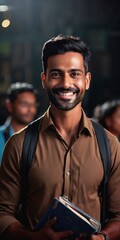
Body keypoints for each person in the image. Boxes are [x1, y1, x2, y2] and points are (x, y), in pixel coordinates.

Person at [0, 35, 120, 240]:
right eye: (56, 74)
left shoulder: (109, 145)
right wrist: (34, 238)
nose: (66, 84)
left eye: (75, 74)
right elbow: (3, 213)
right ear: (44, 79)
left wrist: (102, 238)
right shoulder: (19, 144)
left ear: (87, 80)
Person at [0, 82, 38, 162]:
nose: (31, 110)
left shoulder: (40, 137)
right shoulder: (1, 136)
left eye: (33, 105)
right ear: (10, 106)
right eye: (24, 104)